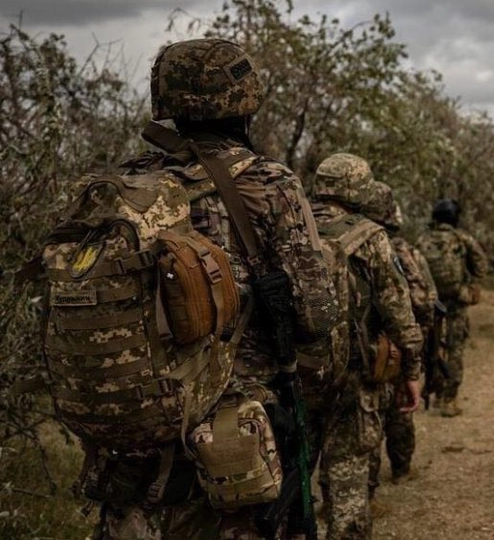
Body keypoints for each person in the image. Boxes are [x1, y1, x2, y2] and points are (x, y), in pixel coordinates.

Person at [79, 38, 340, 539]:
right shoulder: (269, 183)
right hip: (227, 440)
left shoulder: (123, 186)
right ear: (245, 99)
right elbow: (317, 314)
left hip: (132, 433)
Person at [310, 154, 423, 540]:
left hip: (292, 377)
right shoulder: (371, 237)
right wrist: (411, 372)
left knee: (289, 482)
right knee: (348, 482)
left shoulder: (287, 226)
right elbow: (399, 312)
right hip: (353, 378)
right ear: (359, 190)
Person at [363, 181, 439, 485]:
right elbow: (424, 302)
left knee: (360, 416)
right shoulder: (402, 251)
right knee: (399, 409)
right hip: (392, 347)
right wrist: (416, 348)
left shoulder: (331, 239)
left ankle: (366, 483)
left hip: (350, 349)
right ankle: (401, 468)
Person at [417, 199, 488, 417]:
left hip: (429, 302)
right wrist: (471, 284)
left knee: (433, 347)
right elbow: (482, 266)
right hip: (456, 301)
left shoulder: (422, 239)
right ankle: (449, 399)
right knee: (455, 349)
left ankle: (436, 391)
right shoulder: (462, 238)